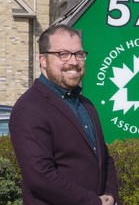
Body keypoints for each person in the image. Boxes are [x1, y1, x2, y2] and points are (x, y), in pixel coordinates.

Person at [9, 24, 118, 205]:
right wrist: (93, 202)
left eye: (79, 54)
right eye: (63, 54)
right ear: (43, 60)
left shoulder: (86, 105)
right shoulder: (29, 108)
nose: (74, 61)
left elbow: (104, 159)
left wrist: (110, 194)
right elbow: (41, 177)